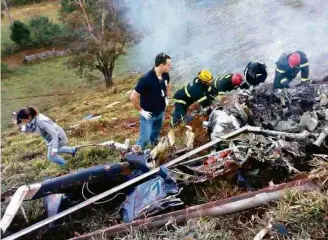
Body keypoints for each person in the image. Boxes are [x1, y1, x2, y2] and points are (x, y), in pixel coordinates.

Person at [130, 52, 172, 148]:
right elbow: (133, 97)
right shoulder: (146, 79)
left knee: (155, 134)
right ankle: (135, 155)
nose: (170, 66)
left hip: (160, 112)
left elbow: (168, 85)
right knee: (144, 139)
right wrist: (141, 111)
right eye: (168, 65)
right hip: (148, 115)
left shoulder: (165, 75)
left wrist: (167, 97)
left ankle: (154, 148)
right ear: (161, 65)